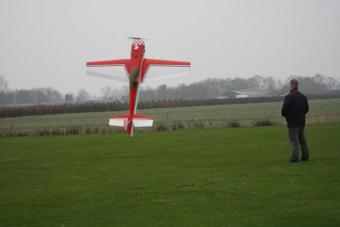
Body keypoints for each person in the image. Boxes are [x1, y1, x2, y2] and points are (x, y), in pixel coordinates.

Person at [281, 79, 310, 162]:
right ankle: (305, 156)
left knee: (294, 141)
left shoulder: (289, 97)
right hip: (301, 121)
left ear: (291, 86)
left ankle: (294, 158)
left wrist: (287, 116)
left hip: (292, 123)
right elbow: (306, 109)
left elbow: (284, 110)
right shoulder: (303, 97)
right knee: (303, 141)